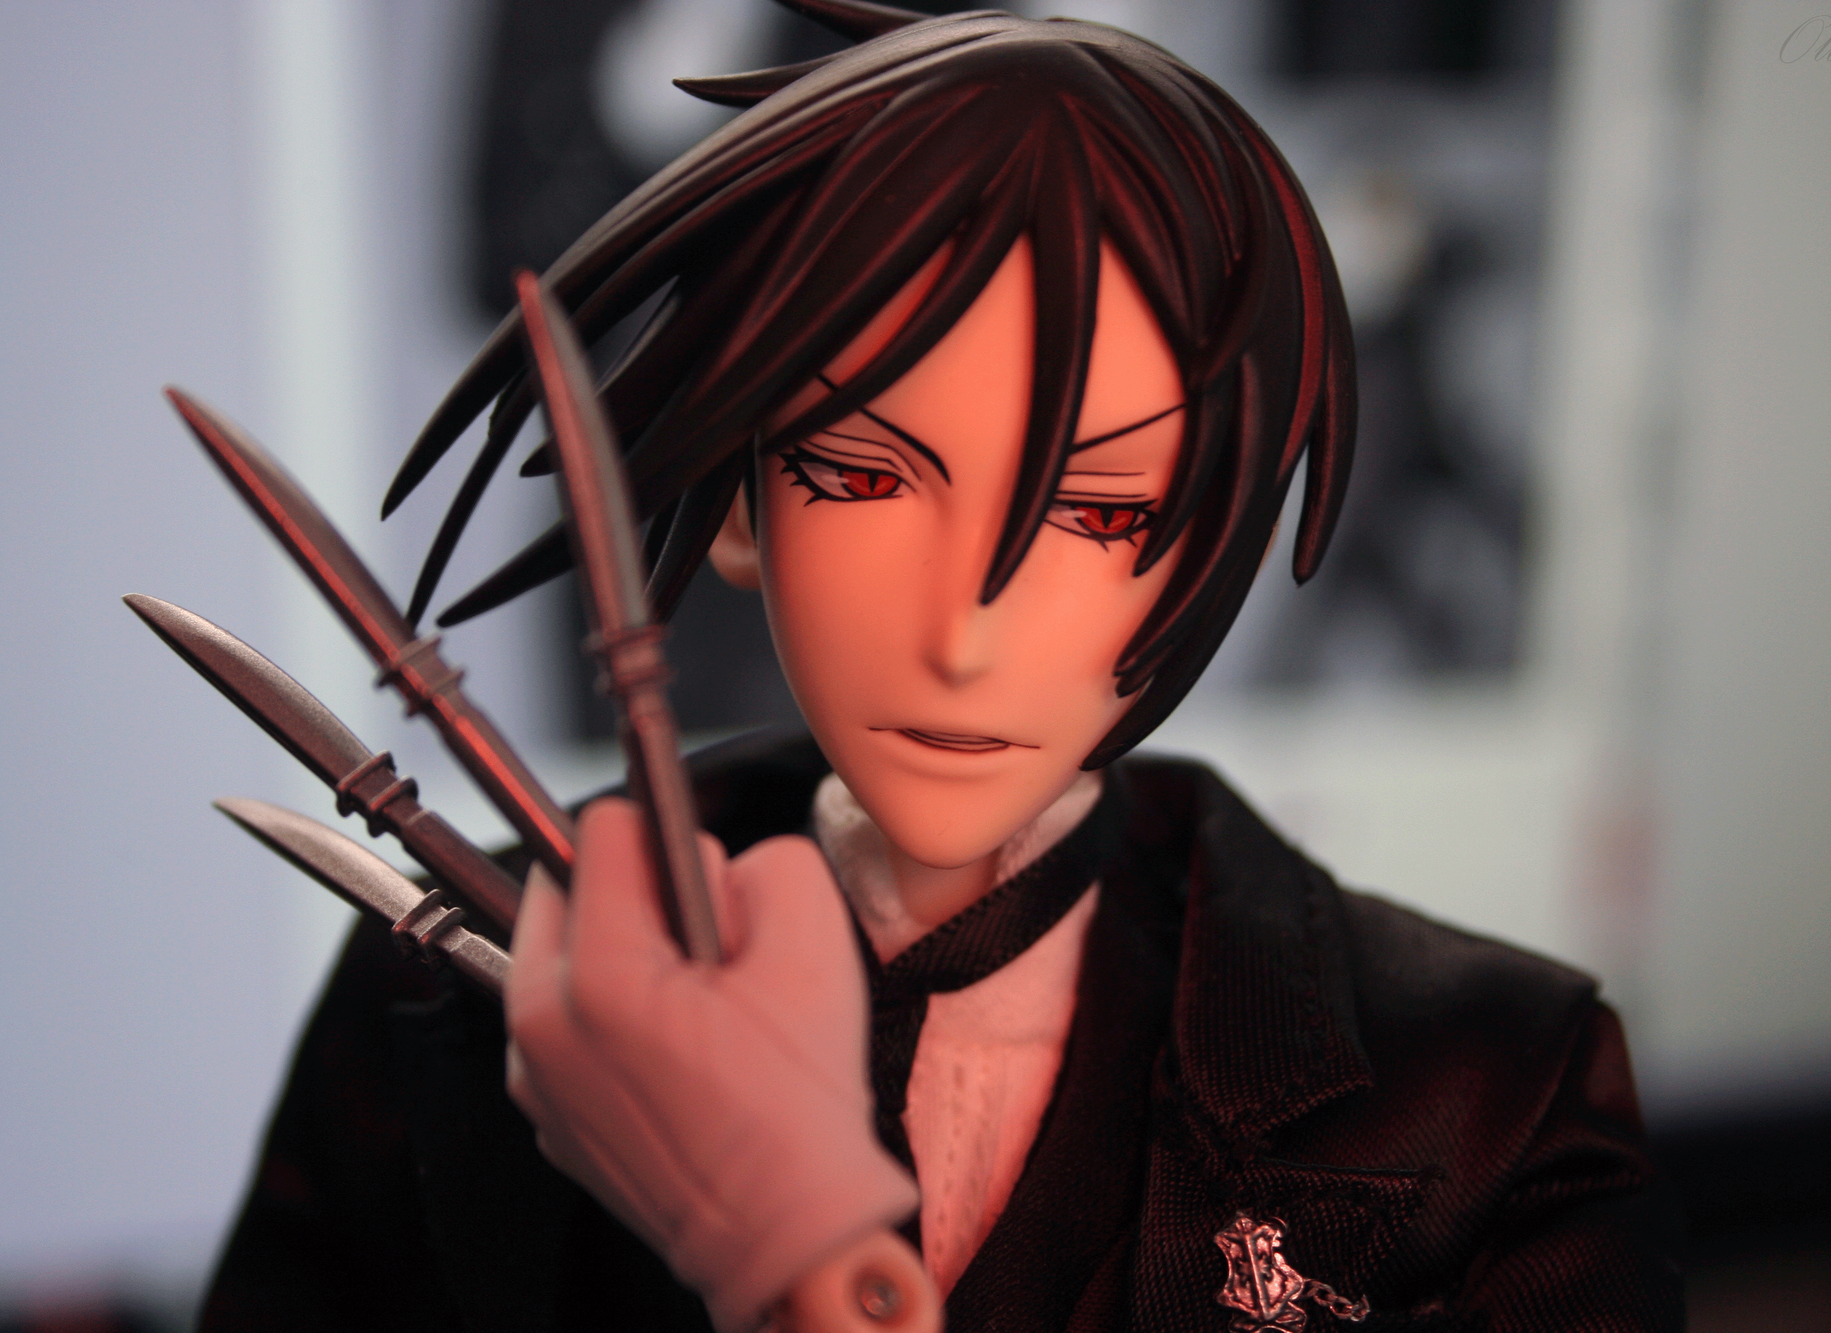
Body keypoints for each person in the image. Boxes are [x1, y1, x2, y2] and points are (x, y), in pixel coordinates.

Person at [199, 4, 1682, 1331]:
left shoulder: (1492, 1086)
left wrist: (793, 1259)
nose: (964, 637)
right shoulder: (444, 994)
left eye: (1102, 511)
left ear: (1210, 533)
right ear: (736, 503)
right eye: (863, 476)